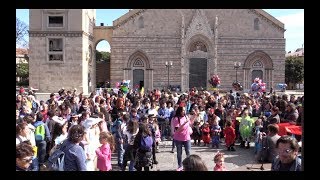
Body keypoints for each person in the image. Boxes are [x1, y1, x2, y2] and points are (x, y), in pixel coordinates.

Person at [172, 106, 192, 171]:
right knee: (179, 153)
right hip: (178, 138)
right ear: (179, 111)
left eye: (185, 110)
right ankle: (180, 166)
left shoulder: (186, 117)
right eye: (183, 110)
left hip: (187, 137)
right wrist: (184, 123)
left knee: (188, 152)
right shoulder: (176, 118)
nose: (184, 111)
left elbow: (190, 124)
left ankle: (188, 166)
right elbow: (177, 130)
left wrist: (195, 116)